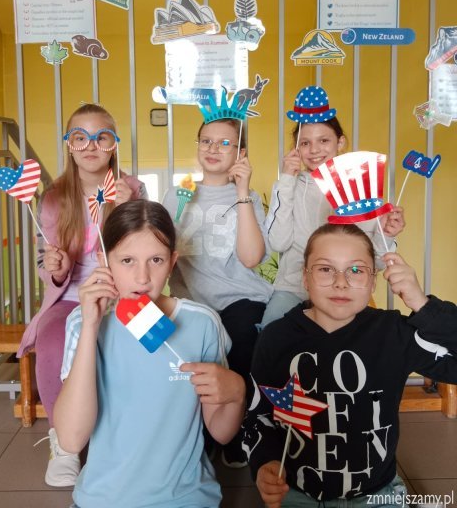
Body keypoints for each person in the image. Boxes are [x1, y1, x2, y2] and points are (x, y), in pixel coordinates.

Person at [243, 222, 457, 507]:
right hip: (297, 492)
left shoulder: (393, 333)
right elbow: (259, 416)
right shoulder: (276, 337)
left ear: (374, 281)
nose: (340, 282)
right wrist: (264, 463)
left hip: (378, 493)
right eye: (325, 269)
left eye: (356, 270)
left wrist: (423, 305)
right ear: (305, 277)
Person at [53, 200, 246, 508]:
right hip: (103, 499)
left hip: (186, 499)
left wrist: (237, 393)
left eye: (156, 260)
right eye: (127, 260)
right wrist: (90, 326)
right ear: (104, 260)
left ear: (172, 262)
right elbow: (71, 439)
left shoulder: (202, 323)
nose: (142, 277)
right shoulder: (83, 322)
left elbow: (222, 433)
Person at [17, 103, 147, 487]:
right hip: (71, 296)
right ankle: (64, 444)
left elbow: (146, 247)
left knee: (154, 338)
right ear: (69, 145)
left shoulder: (132, 188)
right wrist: (55, 268)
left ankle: (138, 433)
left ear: (114, 144)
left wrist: (128, 207)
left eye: (101, 137)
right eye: (80, 137)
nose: (90, 146)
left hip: (123, 291)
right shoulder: (54, 199)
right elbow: (46, 264)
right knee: (51, 341)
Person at [162, 107, 273, 467]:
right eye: (206, 141)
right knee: (187, 359)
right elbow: (160, 251)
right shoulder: (178, 194)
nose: (213, 148)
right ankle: (198, 434)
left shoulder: (248, 197)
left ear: (241, 153)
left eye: (225, 143)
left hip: (241, 298)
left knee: (241, 343)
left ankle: (237, 429)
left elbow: (252, 258)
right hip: (192, 303)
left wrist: (241, 191)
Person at [261, 85, 405, 327]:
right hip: (293, 289)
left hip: (345, 292)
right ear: (296, 148)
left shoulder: (361, 188)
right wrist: (286, 180)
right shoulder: (289, 186)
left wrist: (386, 235)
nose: (314, 150)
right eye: (305, 143)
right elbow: (278, 242)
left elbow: (377, 263)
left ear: (340, 142)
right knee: (270, 334)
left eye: (324, 140)